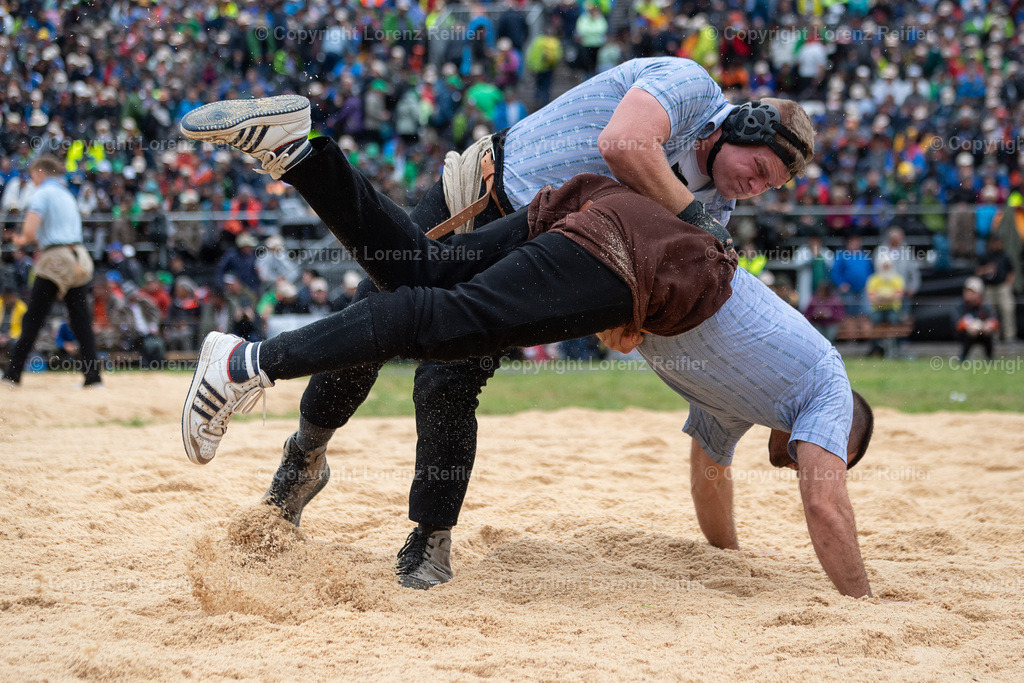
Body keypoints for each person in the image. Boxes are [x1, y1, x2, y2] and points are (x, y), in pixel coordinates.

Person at [179, 93, 873, 599]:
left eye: (770, 189)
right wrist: (684, 229)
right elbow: (623, 143)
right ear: (741, 127)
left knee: (439, 352)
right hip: (501, 190)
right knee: (404, 302)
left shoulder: (717, 215)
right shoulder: (689, 90)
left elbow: (700, 438)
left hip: (573, 220)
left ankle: (301, 152)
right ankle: (279, 418)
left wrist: (637, 303)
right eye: (760, 169)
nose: (754, 189)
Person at [2, 156, 101, 388]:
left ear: (39, 172)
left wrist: (20, 239)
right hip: (78, 257)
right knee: (81, 320)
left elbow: (29, 231)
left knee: (33, 317)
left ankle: (12, 375)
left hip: (56, 260)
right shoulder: (67, 194)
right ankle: (93, 377)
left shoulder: (42, 194)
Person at [976, 234, 1017, 343]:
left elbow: (1011, 272)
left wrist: (1008, 285)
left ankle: (1009, 337)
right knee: (991, 313)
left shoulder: (1005, 256)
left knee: (1007, 310)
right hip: (989, 288)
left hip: (1002, 287)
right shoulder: (985, 256)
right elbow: (977, 271)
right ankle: (993, 337)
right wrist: (986, 269)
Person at [955, 277, 999, 361]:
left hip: (983, 334)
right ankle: (962, 358)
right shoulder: (960, 306)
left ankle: (990, 359)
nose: (968, 293)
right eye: (967, 291)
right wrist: (968, 326)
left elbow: (995, 321)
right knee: (969, 335)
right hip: (965, 335)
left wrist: (988, 326)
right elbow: (956, 323)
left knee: (988, 335)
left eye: (972, 291)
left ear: (979, 293)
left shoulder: (986, 306)